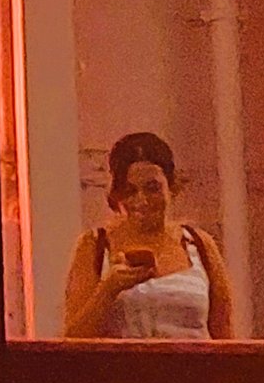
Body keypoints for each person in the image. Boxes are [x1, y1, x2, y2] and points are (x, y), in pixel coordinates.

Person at [62, 132, 233, 340]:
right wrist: (108, 289)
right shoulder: (95, 246)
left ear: (172, 186)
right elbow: (73, 339)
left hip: (193, 370)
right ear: (116, 194)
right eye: (130, 191)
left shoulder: (199, 245)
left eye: (152, 188)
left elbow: (224, 335)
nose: (141, 201)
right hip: (122, 370)